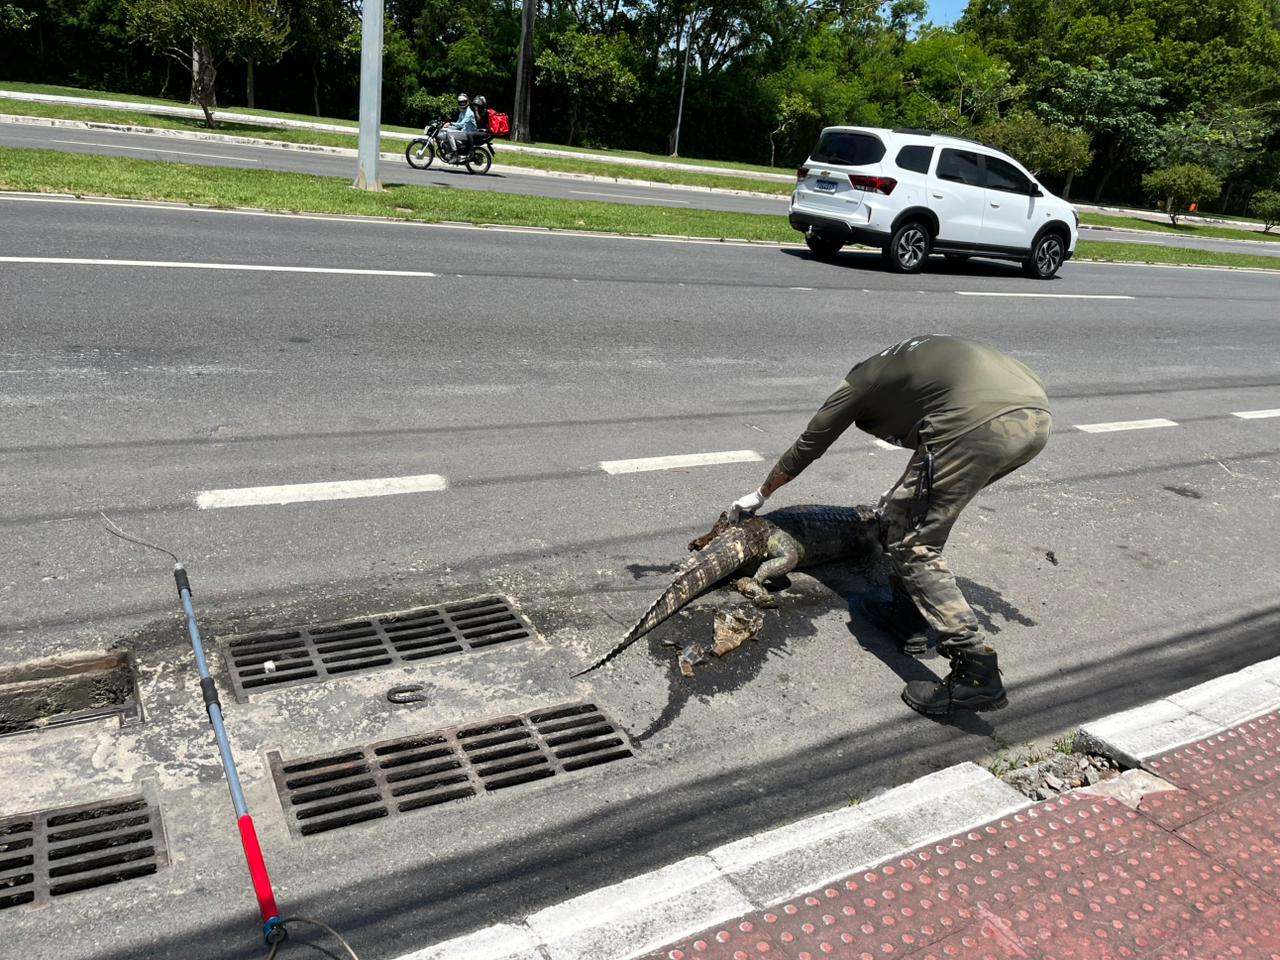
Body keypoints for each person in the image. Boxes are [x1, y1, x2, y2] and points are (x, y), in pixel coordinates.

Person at [727, 335, 1052, 717]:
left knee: (914, 543)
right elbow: (936, 429)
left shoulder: (857, 386)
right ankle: (909, 619)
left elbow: (808, 445)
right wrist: (904, 491)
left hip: (976, 427)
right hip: (1033, 419)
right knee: (917, 519)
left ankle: (975, 670)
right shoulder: (906, 362)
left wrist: (761, 494)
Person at [443, 93, 477, 159]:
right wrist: (447, 126)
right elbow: (458, 124)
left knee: (450, 133)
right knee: (446, 131)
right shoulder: (462, 112)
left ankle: (454, 152)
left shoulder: (469, 113)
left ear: (467, 102)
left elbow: (461, 124)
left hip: (469, 133)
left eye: (463, 102)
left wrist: (450, 123)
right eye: (460, 102)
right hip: (464, 131)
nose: (462, 104)